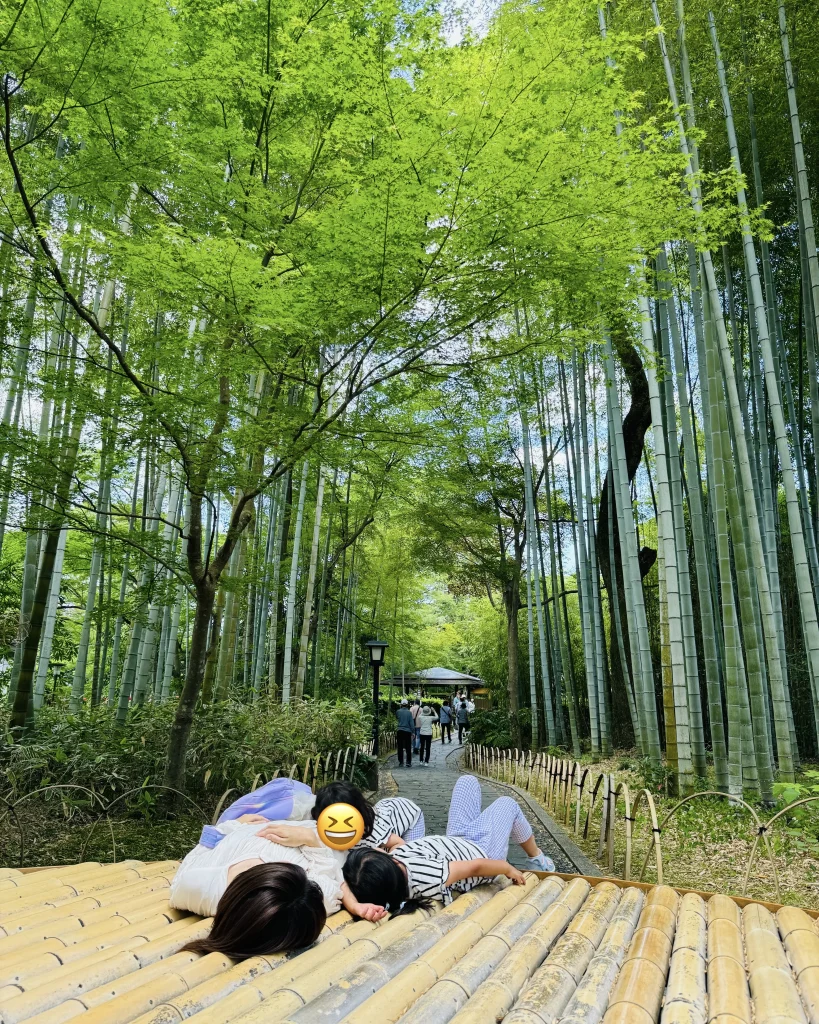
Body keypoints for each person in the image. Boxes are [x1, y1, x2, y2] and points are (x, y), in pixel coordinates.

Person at [170, 814, 387, 953]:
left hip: (250, 826)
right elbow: (333, 877)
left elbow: (204, 846)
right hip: (315, 831)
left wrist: (234, 824)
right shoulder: (309, 904)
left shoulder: (201, 888)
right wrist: (309, 839)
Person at [342, 775, 554, 911]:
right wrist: (506, 868)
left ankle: (489, 828)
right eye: (377, 853)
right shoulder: (424, 875)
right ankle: (537, 858)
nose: (378, 850)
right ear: (390, 865)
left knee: (467, 782)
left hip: (456, 842)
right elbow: (474, 867)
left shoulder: (395, 867)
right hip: (482, 853)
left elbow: (396, 847)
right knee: (507, 804)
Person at [396, 698, 414, 768]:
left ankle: (401, 762)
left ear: (401, 704)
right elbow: (411, 723)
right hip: (407, 731)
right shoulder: (409, 712)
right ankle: (408, 762)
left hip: (400, 730)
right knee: (408, 747)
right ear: (407, 704)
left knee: (400, 747)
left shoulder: (398, 711)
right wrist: (413, 731)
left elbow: (397, 718)